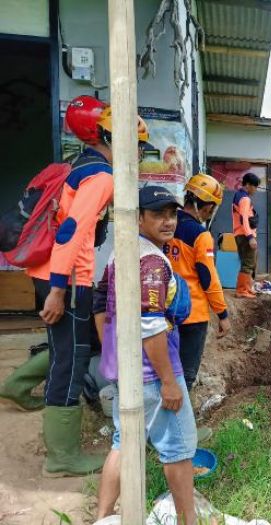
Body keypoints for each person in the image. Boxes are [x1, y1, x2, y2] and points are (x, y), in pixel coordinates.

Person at [4, 95, 149, 477]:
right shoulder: (100, 176)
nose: (135, 153)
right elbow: (71, 232)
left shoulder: (80, 163)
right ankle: (62, 458)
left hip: (57, 275)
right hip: (66, 279)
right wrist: (58, 288)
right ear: (111, 138)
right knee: (70, 360)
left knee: (67, 345)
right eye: (133, 145)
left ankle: (18, 386)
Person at [95, 186, 197, 525]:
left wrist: (117, 355)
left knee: (124, 442)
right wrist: (169, 381)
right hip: (155, 374)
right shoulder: (152, 261)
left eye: (172, 214)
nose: (168, 221)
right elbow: (150, 325)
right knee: (179, 451)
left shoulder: (119, 252)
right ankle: (188, 521)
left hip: (128, 369)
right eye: (158, 214)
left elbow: (99, 306)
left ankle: (103, 516)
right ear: (138, 217)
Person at [165, 173, 230, 440]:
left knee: (165, 371)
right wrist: (223, 313)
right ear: (207, 206)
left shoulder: (165, 226)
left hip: (164, 312)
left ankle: (163, 426)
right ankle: (178, 433)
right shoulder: (200, 236)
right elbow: (208, 277)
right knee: (185, 375)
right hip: (192, 315)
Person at [232, 172, 260, 298]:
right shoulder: (244, 199)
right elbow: (244, 218)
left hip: (240, 233)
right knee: (248, 263)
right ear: (248, 185)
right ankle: (242, 290)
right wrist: (250, 237)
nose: (255, 189)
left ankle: (247, 288)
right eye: (254, 186)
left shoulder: (238, 195)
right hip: (244, 235)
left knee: (249, 262)